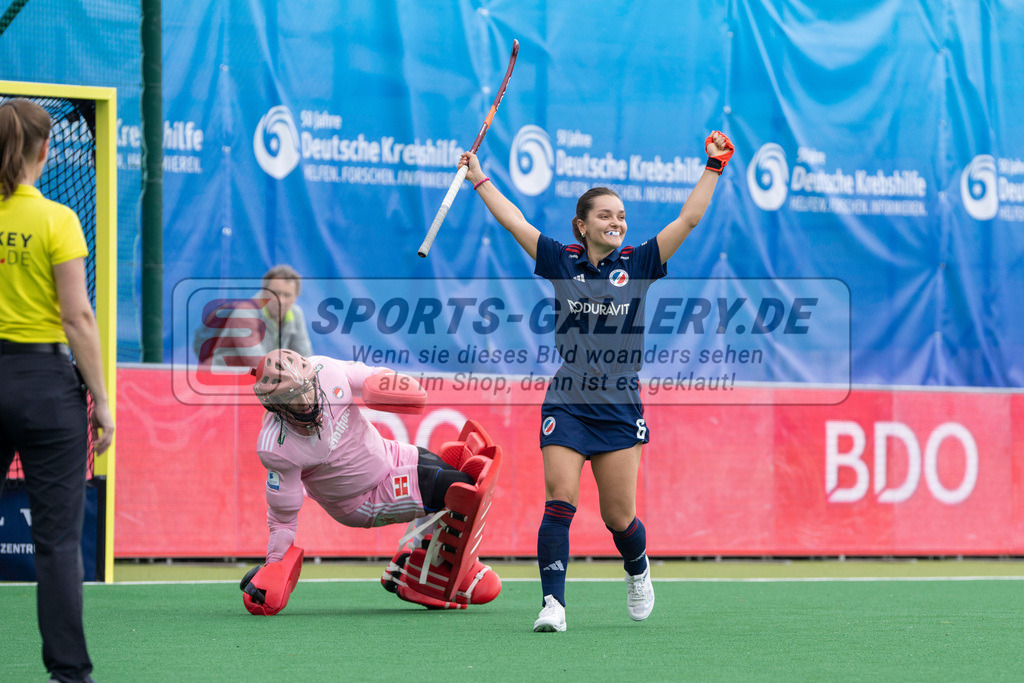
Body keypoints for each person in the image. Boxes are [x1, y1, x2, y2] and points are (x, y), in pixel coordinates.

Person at [459, 130, 734, 631]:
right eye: (605, 215)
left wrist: (714, 166)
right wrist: (480, 179)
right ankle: (553, 606)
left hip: (619, 403)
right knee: (560, 500)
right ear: (581, 225)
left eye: (621, 215)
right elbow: (513, 220)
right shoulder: (561, 259)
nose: (617, 222)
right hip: (567, 399)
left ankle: (637, 567)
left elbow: (689, 218)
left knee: (618, 518)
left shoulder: (642, 262)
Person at [239, 348, 502, 614]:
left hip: (390, 454)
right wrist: (274, 565)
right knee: (456, 489)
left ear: (313, 377)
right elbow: (283, 517)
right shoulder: (277, 447)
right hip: (362, 499)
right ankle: (430, 573)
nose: (306, 402)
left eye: (307, 389)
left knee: (456, 478)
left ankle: (411, 565)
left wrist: (393, 383)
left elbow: (372, 376)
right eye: (292, 399)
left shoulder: (327, 370)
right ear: (274, 406)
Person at [0, 98, 114, 682]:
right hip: (46, 387)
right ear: (45, 152)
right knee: (56, 544)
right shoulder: (56, 220)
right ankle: (70, 675)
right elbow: (78, 319)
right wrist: (104, 404)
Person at [193, 264, 313, 368]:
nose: (280, 300)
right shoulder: (245, 312)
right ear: (264, 291)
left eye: (287, 295)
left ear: (296, 297)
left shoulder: (296, 313)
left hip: (257, 380)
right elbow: (257, 361)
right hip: (220, 380)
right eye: (276, 293)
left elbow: (305, 357)